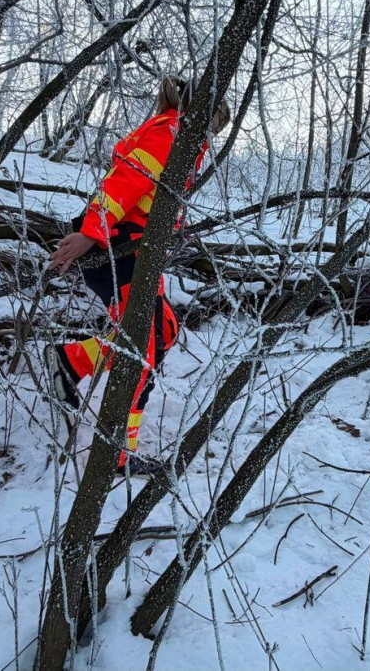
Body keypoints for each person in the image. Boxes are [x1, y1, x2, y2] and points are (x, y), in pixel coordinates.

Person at [45, 76, 230, 474]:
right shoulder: (171, 135)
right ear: (201, 113)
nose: (212, 137)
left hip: (133, 249)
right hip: (118, 245)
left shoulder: (177, 137)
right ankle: (115, 454)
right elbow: (122, 186)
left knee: (161, 331)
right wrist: (90, 233)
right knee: (141, 347)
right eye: (214, 125)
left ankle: (73, 360)